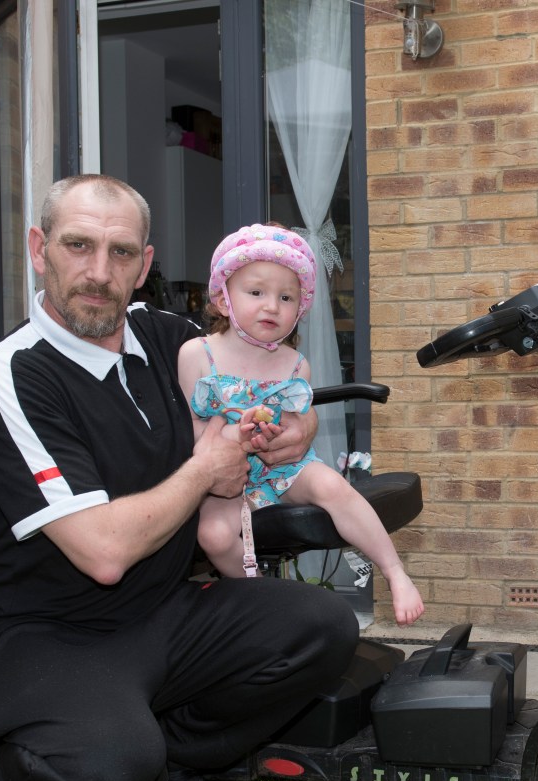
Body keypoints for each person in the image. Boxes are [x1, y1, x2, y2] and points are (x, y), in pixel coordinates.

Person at [0, 175, 359, 781]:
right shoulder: (17, 373)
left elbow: (266, 385)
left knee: (323, 625)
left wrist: (291, 432)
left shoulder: (172, 341)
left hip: (168, 611)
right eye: (77, 246)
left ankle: (168, 766)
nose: (97, 272)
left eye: (119, 253)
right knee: (103, 772)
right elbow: (103, 551)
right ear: (38, 249)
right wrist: (208, 465)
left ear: (143, 265)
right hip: (49, 631)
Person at [177, 224, 424, 627]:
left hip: (283, 468)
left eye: (286, 297)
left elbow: (295, 431)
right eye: (256, 293)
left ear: (300, 308)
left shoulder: (295, 365)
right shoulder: (198, 354)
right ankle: (261, 600)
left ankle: (395, 572)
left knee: (331, 485)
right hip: (224, 473)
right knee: (214, 537)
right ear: (223, 299)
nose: (272, 306)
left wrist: (278, 433)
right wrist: (231, 438)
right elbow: (193, 433)